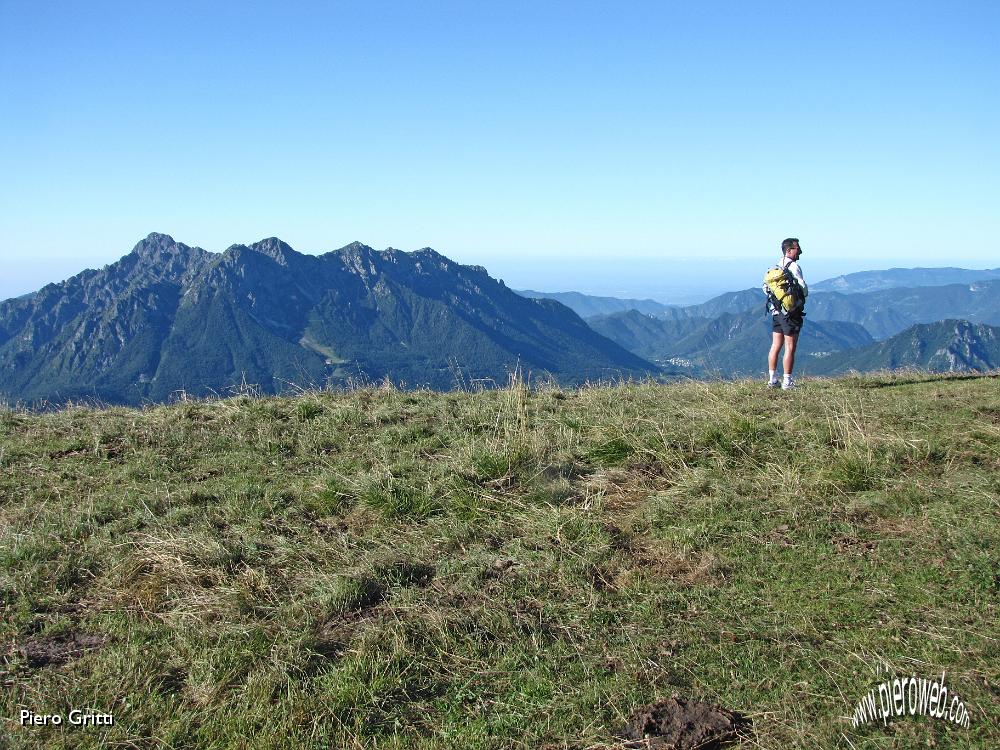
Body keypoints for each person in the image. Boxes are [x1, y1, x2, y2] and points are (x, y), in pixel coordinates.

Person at [765, 238, 807, 390]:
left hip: (776, 311)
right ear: (789, 250)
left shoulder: (775, 267)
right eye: (797, 248)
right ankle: (787, 382)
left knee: (775, 345)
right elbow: (803, 288)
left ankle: (772, 380)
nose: (800, 251)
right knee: (790, 347)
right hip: (790, 313)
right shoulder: (794, 267)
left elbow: (766, 288)